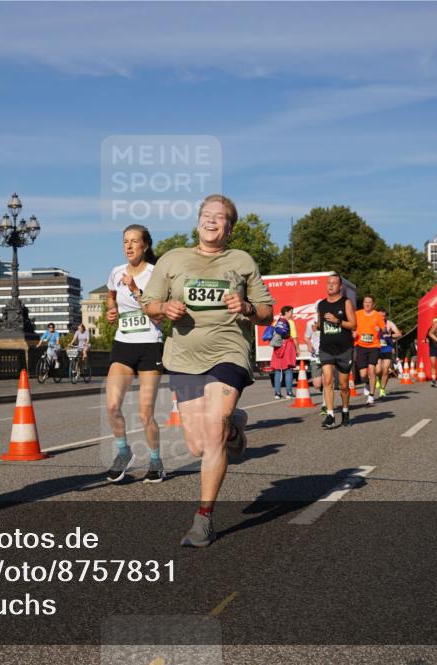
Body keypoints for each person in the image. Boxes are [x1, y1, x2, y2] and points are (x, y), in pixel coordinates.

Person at [140, 194, 274, 547]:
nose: (211, 220)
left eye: (220, 217)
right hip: (183, 356)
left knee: (213, 428)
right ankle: (234, 431)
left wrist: (246, 306)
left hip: (229, 351)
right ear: (198, 221)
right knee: (198, 445)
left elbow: (267, 312)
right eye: (206, 215)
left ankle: (203, 518)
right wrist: (163, 308)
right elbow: (149, 304)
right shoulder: (173, 260)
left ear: (229, 228)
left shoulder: (241, 261)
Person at [104, 224, 165, 484]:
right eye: (125, 242)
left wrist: (135, 290)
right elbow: (110, 295)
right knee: (112, 405)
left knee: (144, 414)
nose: (128, 246)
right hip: (123, 344)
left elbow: (159, 313)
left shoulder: (156, 274)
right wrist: (110, 310)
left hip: (150, 345)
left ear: (145, 246)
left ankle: (155, 461)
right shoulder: (116, 272)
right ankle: (123, 452)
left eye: (134, 242)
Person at [317, 274, 357, 429]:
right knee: (327, 380)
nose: (330, 286)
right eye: (328, 283)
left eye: (334, 283)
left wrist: (337, 321)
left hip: (343, 349)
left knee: (344, 385)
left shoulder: (345, 303)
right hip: (326, 348)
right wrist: (318, 326)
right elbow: (321, 324)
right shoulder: (321, 304)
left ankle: (345, 411)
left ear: (340, 286)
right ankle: (330, 415)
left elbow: (354, 325)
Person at [353, 295, 385, 406]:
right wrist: (353, 332)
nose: (367, 304)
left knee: (372, 370)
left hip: (374, 346)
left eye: (369, 302)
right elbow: (352, 325)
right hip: (360, 346)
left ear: (373, 304)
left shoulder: (377, 315)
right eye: (365, 302)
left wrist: (380, 329)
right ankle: (366, 382)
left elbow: (384, 328)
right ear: (363, 304)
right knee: (363, 374)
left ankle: (371, 396)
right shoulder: (357, 314)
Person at [269, 306, 297, 399]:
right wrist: (297, 349)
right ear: (287, 312)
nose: (292, 314)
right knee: (288, 370)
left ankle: (277, 393)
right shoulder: (290, 322)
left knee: (278, 370)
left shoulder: (276, 321)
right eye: (291, 312)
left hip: (277, 346)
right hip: (287, 345)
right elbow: (294, 336)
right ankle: (289, 393)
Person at [375, 307, 401, 399]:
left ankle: (382, 389)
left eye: (383, 316)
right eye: (380, 316)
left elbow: (399, 333)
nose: (382, 318)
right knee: (378, 370)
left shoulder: (389, 323)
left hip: (387, 349)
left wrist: (390, 335)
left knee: (386, 370)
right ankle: (378, 378)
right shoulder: (374, 323)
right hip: (376, 348)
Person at [306, 318, 327, 415]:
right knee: (317, 384)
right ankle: (326, 394)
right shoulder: (310, 323)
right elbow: (306, 337)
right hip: (315, 356)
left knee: (326, 380)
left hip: (328, 354)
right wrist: (309, 344)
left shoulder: (330, 321)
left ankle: (325, 404)